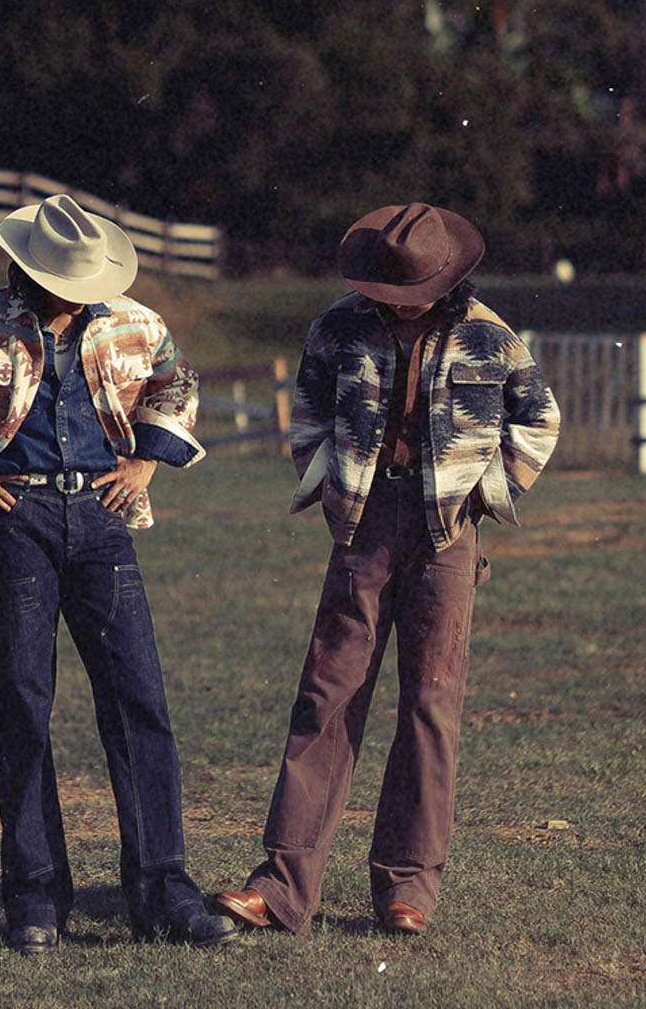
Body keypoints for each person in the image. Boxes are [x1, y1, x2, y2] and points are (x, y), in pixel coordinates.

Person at [0, 193, 236, 954]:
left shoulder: (136, 323)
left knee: (139, 700)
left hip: (104, 520)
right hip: (16, 519)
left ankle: (163, 893)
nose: (73, 297)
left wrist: (145, 462)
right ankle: (36, 898)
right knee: (22, 700)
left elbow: (178, 385)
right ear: (29, 273)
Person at [214, 202, 560, 940]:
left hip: (447, 534)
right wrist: (326, 483)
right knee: (326, 694)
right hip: (363, 528)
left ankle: (409, 888)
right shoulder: (337, 327)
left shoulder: (490, 337)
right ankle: (282, 886)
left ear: (446, 278)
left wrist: (486, 493)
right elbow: (308, 407)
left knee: (430, 700)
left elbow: (539, 418)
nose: (399, 304)